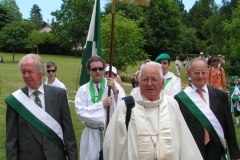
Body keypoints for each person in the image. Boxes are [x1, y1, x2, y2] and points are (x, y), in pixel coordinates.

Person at [103, 61, 203, 160]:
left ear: (162, 82)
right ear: (139, 81)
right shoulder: (126, 107)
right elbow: (112, 147)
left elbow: (186, 145)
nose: (149, 84)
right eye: (145, 79)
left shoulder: (171, 105)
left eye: (154, 79)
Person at [5, 54, 78, 160]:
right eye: (23, 72)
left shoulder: (59, 94)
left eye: (30, 71)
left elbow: (68, 133)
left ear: (41, 72)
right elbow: (11, 141)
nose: (26, 75)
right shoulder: (16, 101)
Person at [174, 58, 240, 160]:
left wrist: (235, 154)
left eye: (203, 72)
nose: (200, 76)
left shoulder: (220, 96)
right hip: (192, 151)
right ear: (188, 73)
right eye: (196, 73)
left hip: (216, 150)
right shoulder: (179, 99)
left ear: (208, 72)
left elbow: (229, 127)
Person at [75, 56, 126, 160]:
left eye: (100, 69)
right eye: (94, 69)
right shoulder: (83, 90)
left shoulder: (113, 86)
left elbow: (122, 109)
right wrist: (101, 105)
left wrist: (115, 91)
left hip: (109, 132)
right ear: (89, 71)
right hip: (91, 134)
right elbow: (81, 113)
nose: (97, 71)